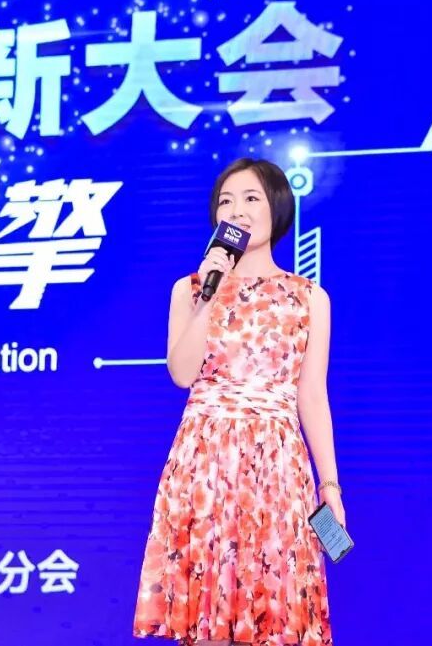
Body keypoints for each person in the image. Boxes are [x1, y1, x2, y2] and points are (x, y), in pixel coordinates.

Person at [133, 157, 343, 646]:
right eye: (226, 201)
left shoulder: (309, 297)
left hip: (276, 465)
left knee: (275, 610)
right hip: (205, 465)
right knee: (209, 612)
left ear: (277, 208)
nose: (237, 211)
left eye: (251, 198)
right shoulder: (189, 289)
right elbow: (182, 374)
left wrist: (329, 484)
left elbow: (312, 396)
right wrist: (210, 295)